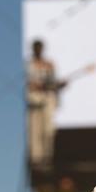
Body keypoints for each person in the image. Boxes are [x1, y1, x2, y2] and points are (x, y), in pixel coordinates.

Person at [25, 39, 64, 168]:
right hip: (34, 101)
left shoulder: (49, 64)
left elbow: (54, 83)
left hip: (47, 100)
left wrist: (58, 85)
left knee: (48, 130)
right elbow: (28, 83)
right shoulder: (28, 64)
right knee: (35, 131)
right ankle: (36, 159)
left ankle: (47, 158)